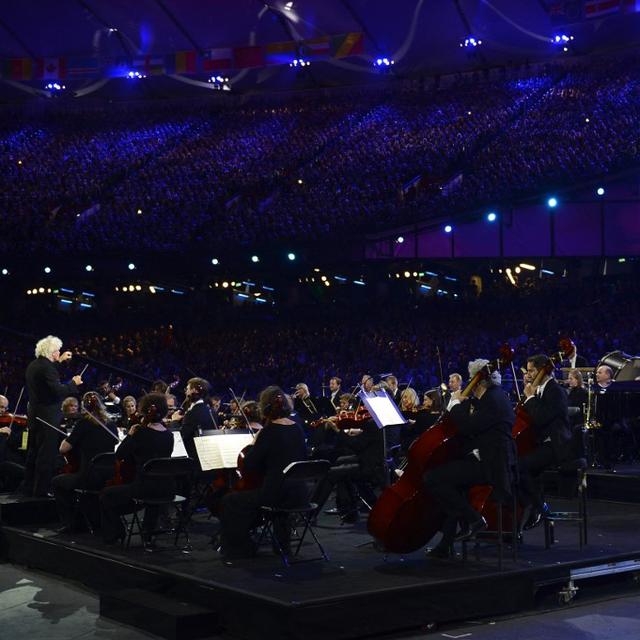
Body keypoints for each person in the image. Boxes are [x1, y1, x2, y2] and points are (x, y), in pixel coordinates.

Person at [423, 360, 516, 558]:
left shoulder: (494, 400)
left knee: (433, 478)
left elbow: (468, 427)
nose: (468, 384)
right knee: (452, 485)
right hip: (483, 459)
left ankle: (474, 519)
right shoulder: (488, 397)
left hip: (492, 466)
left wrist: (455, 404)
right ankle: (446, 543)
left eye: (471, 378)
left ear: (479, 379)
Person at [219, 386, 307, 559]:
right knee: (267, 492)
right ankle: (282, 545)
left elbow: (250, 465)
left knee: (230, 500)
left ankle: (239, 549)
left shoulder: (268, 432)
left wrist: (254, 442)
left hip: (276, 496)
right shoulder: (297, 428)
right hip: (300, 493)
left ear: (265, 408)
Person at [100, 393, 174, 544]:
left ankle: (116, 532)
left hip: (143, 488)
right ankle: (148, 532)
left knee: (105, 494)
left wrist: (131, 435)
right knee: (140, 495)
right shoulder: (169, 435)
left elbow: (120, 455)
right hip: (166, 489)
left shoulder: (140, 432)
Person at [22, 336, 82, 497]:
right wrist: (73, 383)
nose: (59, 353)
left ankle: (28, 488)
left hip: (35, 415)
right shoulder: (47, 368)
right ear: (51, 352)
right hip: (48, 417)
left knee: (33, 452)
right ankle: (41, 491)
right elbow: (58, 391)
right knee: (46, 455)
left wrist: (60, 361)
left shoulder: (34, 365)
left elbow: (48, 380)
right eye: (57, 351)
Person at [518, 354, 572, 529]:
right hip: (542, 443)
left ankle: (539, 507)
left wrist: (530, 398)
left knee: (520, 467)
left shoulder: (555, 390)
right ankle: (536, 506)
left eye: (532, 370)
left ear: (543, 370)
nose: (529, 374)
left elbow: (541, 418)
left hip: (556, 446)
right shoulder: (540, 389)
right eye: (528, 371)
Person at [51, 392, 118, 532]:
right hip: (110, 476)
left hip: (88, 477)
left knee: (57, 482)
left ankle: (72, 523)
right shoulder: (111, 424)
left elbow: (63, 449)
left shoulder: (83, 423)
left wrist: (68, 438)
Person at [170, 378, 216, 460]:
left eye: (187, 389)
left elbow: (181, 436)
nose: (185, 391)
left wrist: (174, 421)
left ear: (194, 390)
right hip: (208, 456)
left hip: (193, 459)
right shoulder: (211, 411)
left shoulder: (192, 413)